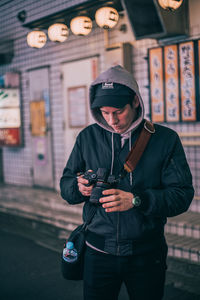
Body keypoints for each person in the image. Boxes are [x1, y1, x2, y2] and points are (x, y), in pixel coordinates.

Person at [60, 65, 194, 300]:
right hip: (97, 250)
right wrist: (78, 187)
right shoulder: (87, 137)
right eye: (104, 112)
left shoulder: (164, 140)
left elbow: (181, 196)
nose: (112, 120)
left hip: (146, 252)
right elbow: (66, 186)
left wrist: (136, 199)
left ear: (134, 101)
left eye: (118, 111)